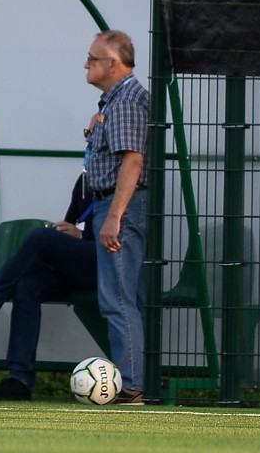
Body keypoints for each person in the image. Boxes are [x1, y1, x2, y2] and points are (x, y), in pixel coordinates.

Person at [0, 171, 97, 401]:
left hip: (105, 266)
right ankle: (19, 379)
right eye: (86, 133)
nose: (89, 138)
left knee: (39, 237)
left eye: (92, 133)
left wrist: (80, 236)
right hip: (79, 264)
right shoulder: (85, 180)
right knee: (27, 285)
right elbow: (70, 223)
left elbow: (120, 237)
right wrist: (66, 235)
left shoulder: (121, 180)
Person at [83, 30, 149, 405]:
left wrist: (114, 217)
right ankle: (133, 379)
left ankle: (131, 384)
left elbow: (133, 160)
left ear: (113, 64)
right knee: (124, 296)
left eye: (93, 58)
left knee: (117, 298)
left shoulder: (124, 101)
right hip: (114, 204)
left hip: (120, 205)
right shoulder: (116, 100)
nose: (86, 64)